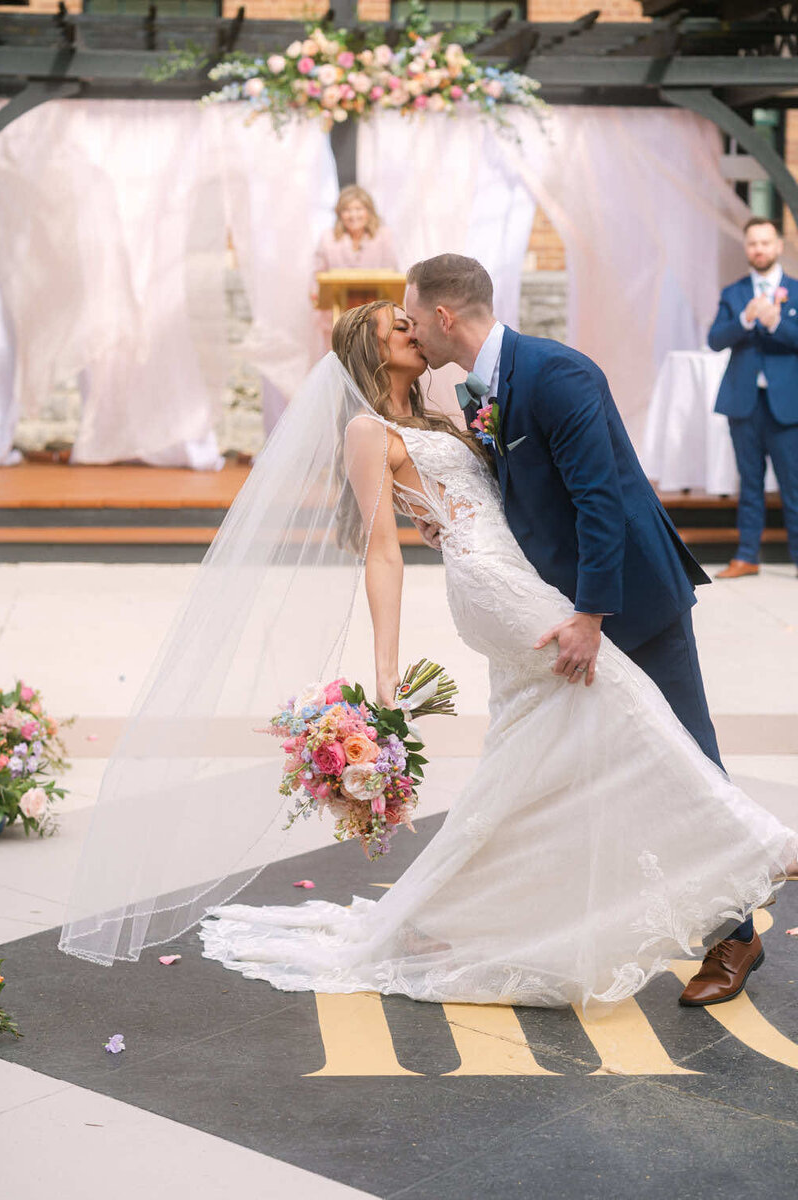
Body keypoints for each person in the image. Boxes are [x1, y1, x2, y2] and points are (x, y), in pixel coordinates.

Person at [197, 297, 796, 1012]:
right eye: (399, 326)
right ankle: (772, 850)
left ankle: (448, 914)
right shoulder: (366, 428)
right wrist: (386, 670)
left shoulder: (445, 413)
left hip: (533, 574)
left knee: (530, 759)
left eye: (413, 319)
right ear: (372, 348)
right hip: (497, 590)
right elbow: (379, 551)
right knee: (627, 705)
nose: (412, 331)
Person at [708, 216, 798, 579]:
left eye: (765, 242)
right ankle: (747, 556)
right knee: (749, 482)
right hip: (743, 402)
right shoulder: (734, 293)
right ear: (746, 249)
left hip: (787, 403)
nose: (759, 249)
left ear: (778, 246)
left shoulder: (796, 290)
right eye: (752, 243)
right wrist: (745, 320)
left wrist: (776, 323)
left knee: (794, 484)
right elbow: (716, 340)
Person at [312, 186, 399, 351]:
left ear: (369, 211)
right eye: (347, 210)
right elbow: (317, 275)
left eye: (358, 209)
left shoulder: (384, 236)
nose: (353, 215)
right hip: (337, 316)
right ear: (339, 214)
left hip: (374, 315)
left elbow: (392, 272)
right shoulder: (327, 238)